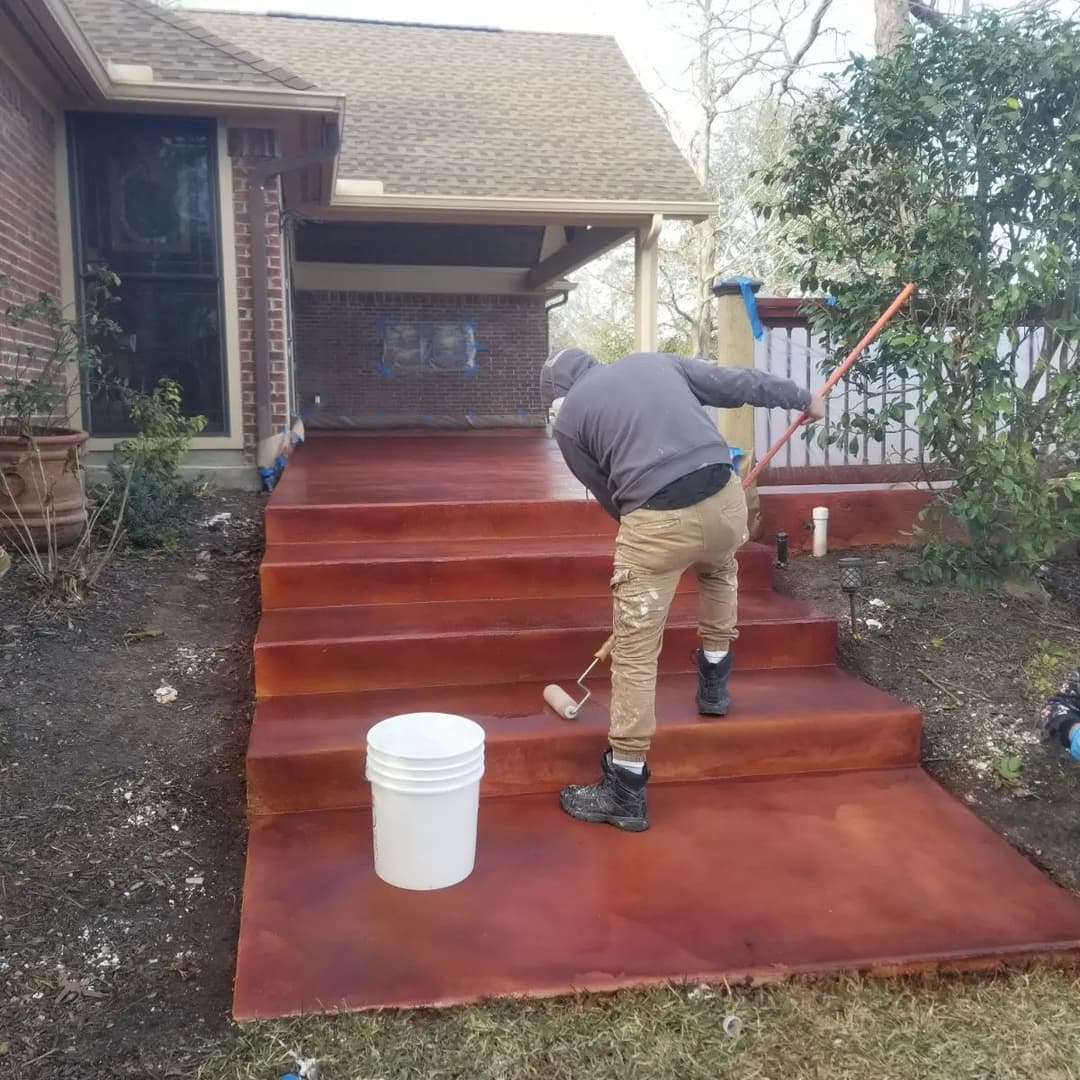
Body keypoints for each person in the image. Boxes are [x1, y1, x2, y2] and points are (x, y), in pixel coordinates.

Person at [540, 347, 826, 832]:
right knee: (718, 572)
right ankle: (714, 687)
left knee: (634, 650)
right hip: (724, 499)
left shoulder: (569, 424)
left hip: (654, 518)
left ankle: (625, 790)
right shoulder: (654, 362)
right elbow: (735, 382)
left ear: (559, 394)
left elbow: (609, 492)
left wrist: (652, 547)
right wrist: (801, 397)